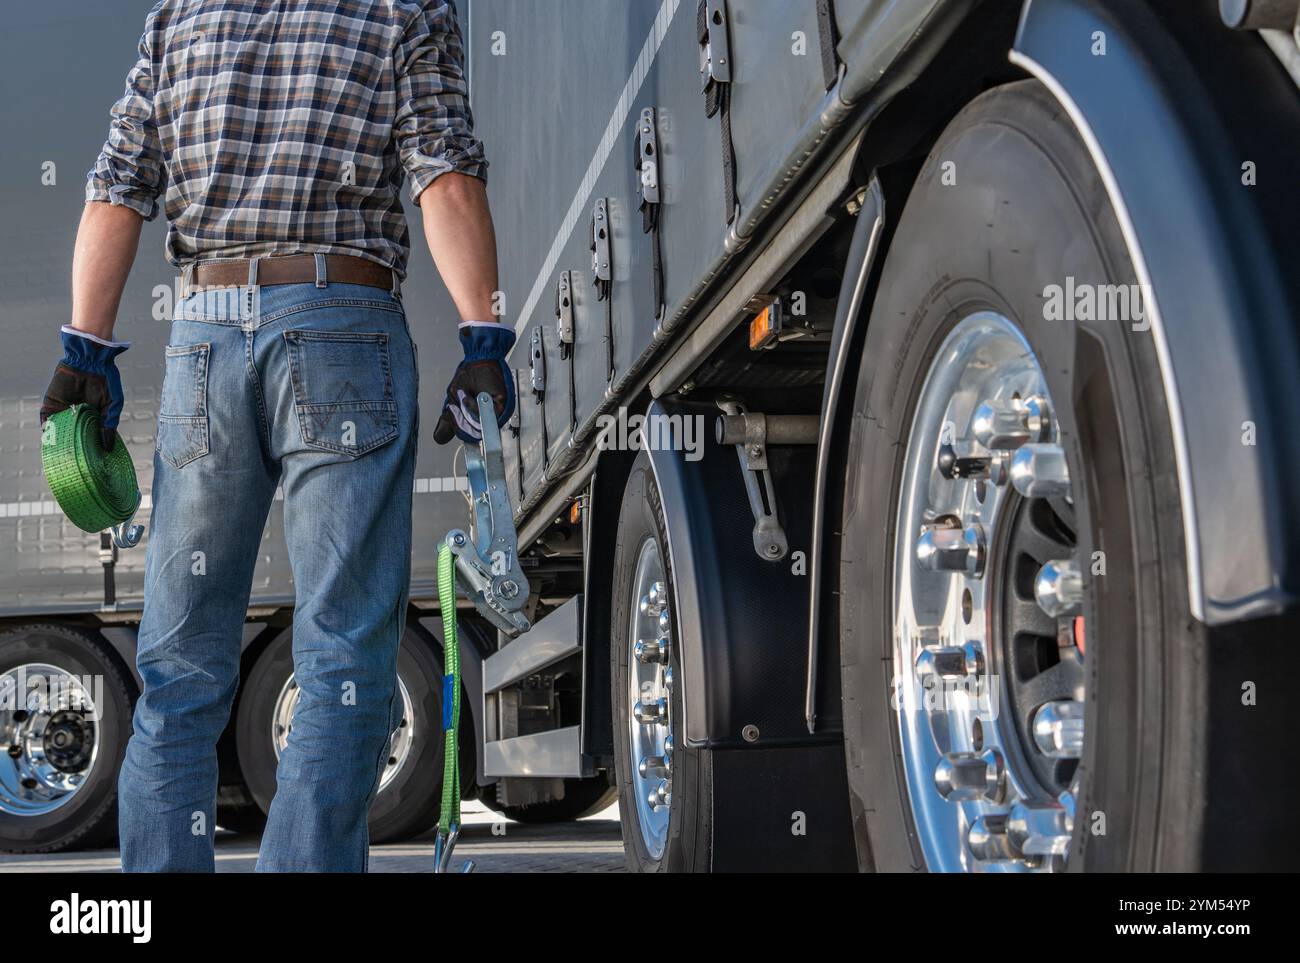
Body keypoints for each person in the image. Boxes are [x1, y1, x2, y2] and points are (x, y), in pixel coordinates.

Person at [38, 0, 513, 872]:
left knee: (178, 672)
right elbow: (441, 171)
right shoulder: (401, 8)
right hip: (342, 329)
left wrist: (84, 351)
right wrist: (481, 337)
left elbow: (117, 185)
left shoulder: (180, 14)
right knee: (340, 659)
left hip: (206, 340)